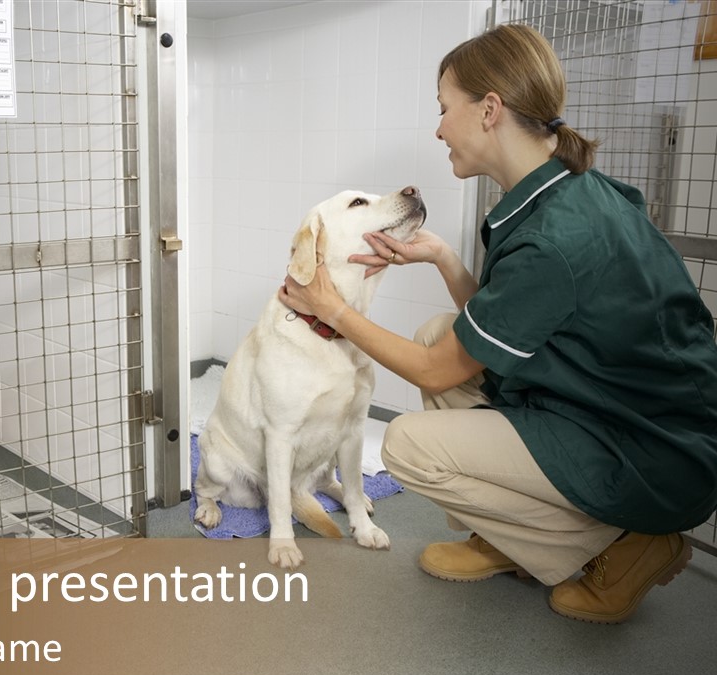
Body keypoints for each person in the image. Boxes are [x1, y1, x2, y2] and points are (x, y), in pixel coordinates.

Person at [279, 23, 717, 624]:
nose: (437, 129)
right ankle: (507, 538)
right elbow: (508, 316)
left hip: (648, 449)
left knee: (408, 444)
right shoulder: (563, 191)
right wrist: (441, 256)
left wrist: (332, 310)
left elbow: (436, 371)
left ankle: (626, 546)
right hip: (614, 410)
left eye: (443, 109)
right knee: (440, 328)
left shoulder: (554, 236)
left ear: (489, 110)